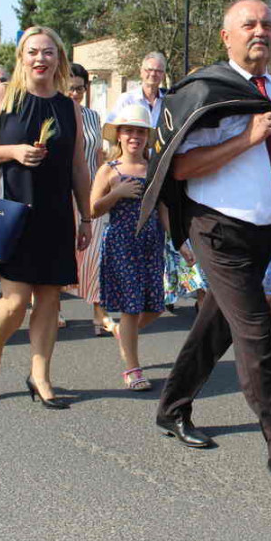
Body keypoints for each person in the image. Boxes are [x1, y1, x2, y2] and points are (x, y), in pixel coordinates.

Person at [147, 0, 271, 492]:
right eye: (249, 24)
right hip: (216, 228)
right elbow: (180, 167)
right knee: (257, 336)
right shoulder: (205, 90)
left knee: (217, 326)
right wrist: (246, 138)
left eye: (268, 25)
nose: (261, 32)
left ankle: (172, 408)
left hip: (264, 231)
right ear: (226, 37)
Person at [0, 26, 92, 409]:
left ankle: (40, 376)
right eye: (33, 51)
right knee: (15, 301)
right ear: (22, 57)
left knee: (50, 301)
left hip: (54, 213)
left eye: (48, 52)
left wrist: (87, 217)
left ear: (59, 59)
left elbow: (78, 166)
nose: (41, 58)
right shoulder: (3, 95)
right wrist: (13, 152)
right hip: (12, 212)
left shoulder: (68, 106)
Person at [92, 105, 166, 390]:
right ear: (119, 136)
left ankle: (122, 332)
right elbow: (93, 209)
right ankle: (133, 370)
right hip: (122, 243)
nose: (134, 136)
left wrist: (179, 243)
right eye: (128, 131)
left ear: (147, 137)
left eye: (140, 131)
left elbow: (162, 208)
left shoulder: (154, 168)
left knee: (155, 306)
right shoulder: (108, 170)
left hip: (151, 243)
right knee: (131, 308)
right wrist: (117, 192)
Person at [65, 62, 114, 335]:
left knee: (96, 254)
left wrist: (103, 189)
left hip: (90, 193)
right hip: (61, 193)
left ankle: (99, 312)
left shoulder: (93, 117)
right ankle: (50, 307)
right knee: (63, 251)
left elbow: (97, 155)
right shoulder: (55, 113)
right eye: (70, 88)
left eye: (80, 89)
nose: (75, 93)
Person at [110, 51, 167, 128]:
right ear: (141, 72)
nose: (153, 74)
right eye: (149, 70)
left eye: (158, 71)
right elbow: (111, 125)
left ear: (163, 75)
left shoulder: (168, 101)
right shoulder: (127, 100)